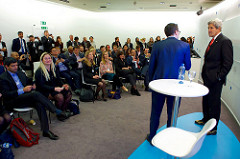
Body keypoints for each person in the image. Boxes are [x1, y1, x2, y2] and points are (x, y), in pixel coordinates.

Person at [0, 57, 70, 140]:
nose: (16, 67)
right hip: (14, 100)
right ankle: (56, 110)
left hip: (26, 97)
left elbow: (28, 80)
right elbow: (6, 94)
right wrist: (22, 90)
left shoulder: (20, 73)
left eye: (16, 65)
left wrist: (33, 83)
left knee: (39, 104)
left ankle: (46, 131)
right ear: (6, 67)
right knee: (35, 94)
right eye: (13, 66)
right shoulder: (3, 78)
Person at [146, 23, 191, 144]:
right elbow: (188, 66)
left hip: (158, 84)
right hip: (176, 85)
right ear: (176, 32)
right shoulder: (185, 45)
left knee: (155, 112)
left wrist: (150, 82)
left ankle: (152, 137)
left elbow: (152, 66)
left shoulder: (157, 45)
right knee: (172, 112)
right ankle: (169, 138)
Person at [195, 18, 233, 135]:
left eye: (211, 28)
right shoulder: (213, 41)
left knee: (214, 103)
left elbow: (228, 63)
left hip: (216, 80)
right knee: (206, 100)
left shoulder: (224, 41)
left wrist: (218, 77)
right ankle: (206, 119)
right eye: (208, 28)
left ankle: (213, 127)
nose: (209, 30)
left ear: (218, 28)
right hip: (207, 78)